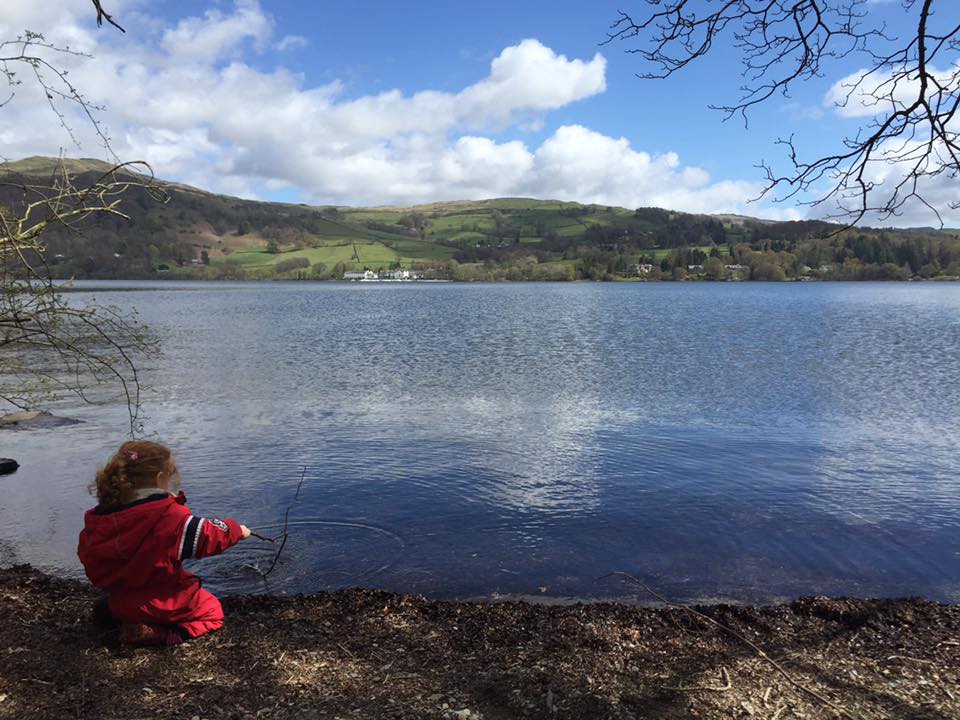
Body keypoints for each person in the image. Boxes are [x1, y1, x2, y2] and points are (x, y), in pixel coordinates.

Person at [77, 440, 251, 646]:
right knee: (212, 611)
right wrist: (236, 530)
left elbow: (89, 552)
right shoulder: (169, 517)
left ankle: (120, 617)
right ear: (159, 478)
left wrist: (163, 499)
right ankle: (162, 635)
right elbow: (207, 535)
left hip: (120, 600)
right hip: (163, 602)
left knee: (116, 605)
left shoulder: (102, 517)